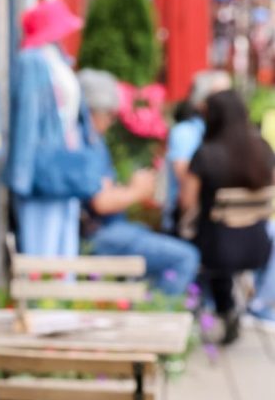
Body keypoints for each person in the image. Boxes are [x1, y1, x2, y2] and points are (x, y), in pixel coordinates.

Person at [78, 70, 200, 296]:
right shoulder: (84, 144)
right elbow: (101, 202)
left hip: (111, 229)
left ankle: (147, 306)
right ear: (91, 111)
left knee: (150, 237)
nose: (111, 121)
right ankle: (158, 315)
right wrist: (136, 191)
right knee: (186, 258)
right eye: (108, 115)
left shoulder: (94, 142)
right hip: (99, 233)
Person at [181, 88, 275, 343]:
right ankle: (247, 306)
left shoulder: (205, 154)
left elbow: (186, 202)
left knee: (184, 232)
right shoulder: (263, 149)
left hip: (217, 247)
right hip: (257, 243)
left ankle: (213, 306)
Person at [6, 0, 86, 256]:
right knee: (42, 248)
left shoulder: (57, 58)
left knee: (63, 247)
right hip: (43, 170)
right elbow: (26, 120)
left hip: (62, 166)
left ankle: (61, 296)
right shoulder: (32, 61)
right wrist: (21, 177)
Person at [163, 69, 231, 233]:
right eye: (221, 97)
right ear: (202, 102)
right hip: (188, 220)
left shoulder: (227, 134)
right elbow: (186, 181)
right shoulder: (185, 132)